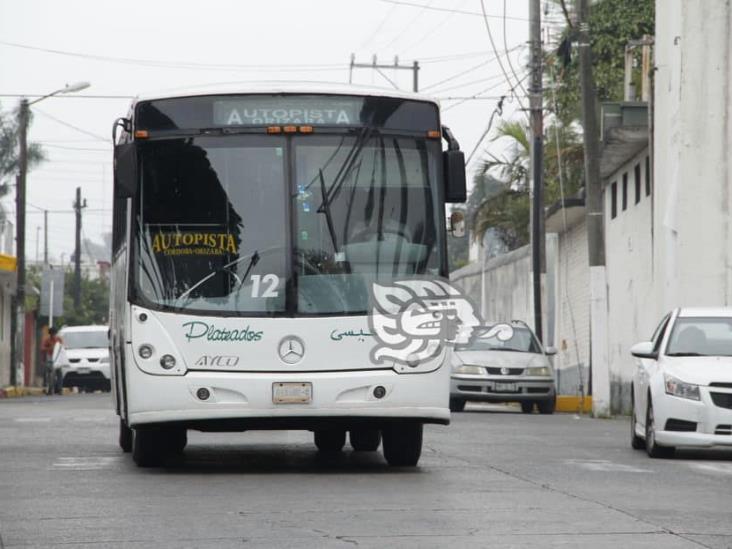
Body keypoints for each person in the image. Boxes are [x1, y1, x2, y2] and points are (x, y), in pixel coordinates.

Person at [40, 327, 63, 395]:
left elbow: (62, 348)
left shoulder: (59, 340)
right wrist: (49, 348)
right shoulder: (47, 340)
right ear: (50, 334)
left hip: (57, 358)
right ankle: (49, 388)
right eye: (52, 334)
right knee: (48, 372)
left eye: (54, 334)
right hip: (50, 357)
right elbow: (42, 348)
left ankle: (60, 389)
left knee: (59, 373)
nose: (53, 335)